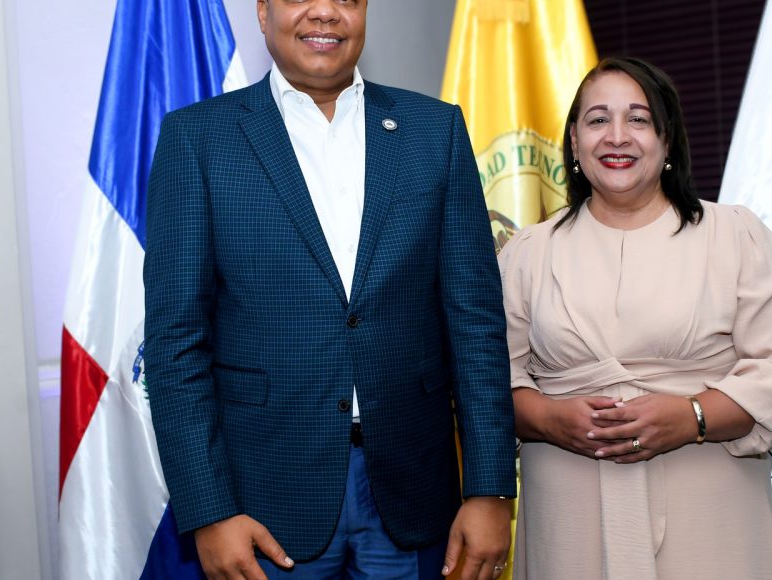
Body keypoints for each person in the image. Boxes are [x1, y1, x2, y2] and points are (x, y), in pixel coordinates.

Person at [143, 1, 517, 578]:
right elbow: (175, 344)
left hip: (412, 489)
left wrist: (490, 488)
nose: (325, 13)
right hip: (261, 500)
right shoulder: (197, 138)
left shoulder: (434, 130)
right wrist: (210, 511)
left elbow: (476, 325)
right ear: (263, 12)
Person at [498, 56, 772, 579]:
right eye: (598, 119)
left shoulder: (734, 236)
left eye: (639, 118)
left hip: (711, 509)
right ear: (575, 143)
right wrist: (548, 420)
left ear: (667, 140)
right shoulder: (526, 253)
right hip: (568, 513)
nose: (617, 136)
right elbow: (486, 381)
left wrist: (693, 417)